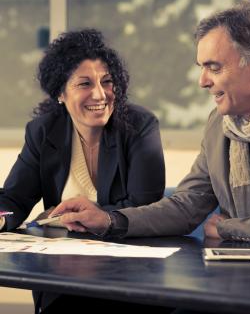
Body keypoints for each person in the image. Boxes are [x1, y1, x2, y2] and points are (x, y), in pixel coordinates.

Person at [52, 1, 250, 247]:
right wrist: (108, 220)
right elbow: (186, 207)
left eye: (214, 68)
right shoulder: (219, 124)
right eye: (201, 68)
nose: (202, 81)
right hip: (237, 278)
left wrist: (228, 227)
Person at [0, 29, 167, 313]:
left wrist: (65, 218)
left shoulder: (140, 126)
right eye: (85, 84)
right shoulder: (42, 131)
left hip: (129, 273)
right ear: (60, 93)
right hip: (63, 271)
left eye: (107, 81)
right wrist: (2, 217)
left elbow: (145, 207)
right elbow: (14, 198)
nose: (100, 94)